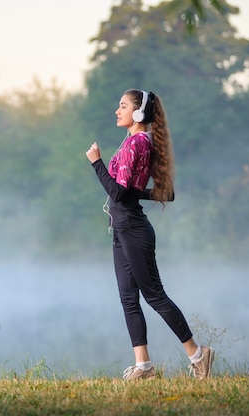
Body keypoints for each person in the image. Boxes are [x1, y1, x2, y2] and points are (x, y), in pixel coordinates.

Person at [85, 89, 214, 380]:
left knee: (154, 295)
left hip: (133, 229)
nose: (116, 111)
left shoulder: (136, 144)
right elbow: (141, 193)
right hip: (122, 229)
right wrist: (134, 194)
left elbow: (117, 192)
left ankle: (198, 355)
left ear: (138, 113)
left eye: (122, 106)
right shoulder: (136, 142)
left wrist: (96, 162)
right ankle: (144, 366)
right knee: (128, 298)